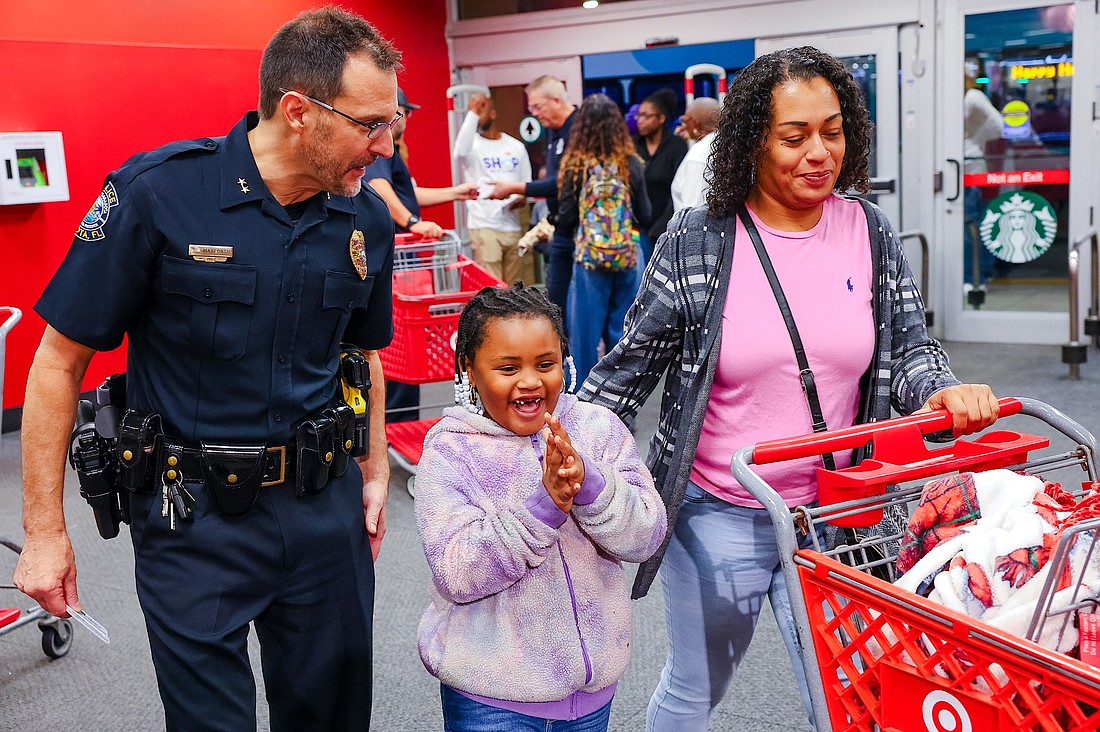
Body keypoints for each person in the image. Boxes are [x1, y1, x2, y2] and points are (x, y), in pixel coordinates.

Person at [578, 46, 999, 731]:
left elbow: (911, 345)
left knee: (849, 693)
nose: (818, 153)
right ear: (751, 141)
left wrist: (943, 389)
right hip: (720, 514)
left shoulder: (867, 229)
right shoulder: (699, 240)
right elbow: (626, 373)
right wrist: (557, 454)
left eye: (831, 132)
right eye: (794, 136)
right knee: (694, 691)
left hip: (838, 516)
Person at [13, 8, 401, 730]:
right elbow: (57, 363)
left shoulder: (364, 221)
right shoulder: (157, 195)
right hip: (192, 519)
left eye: (392, 124)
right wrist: (43, 532)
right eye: (369, 124)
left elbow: (362, 356)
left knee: (333, 717)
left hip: (324, 517)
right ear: (298, 112)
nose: (383, 146)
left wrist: (374, 472)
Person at [414, 284, 666, 732]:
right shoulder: (450, 450)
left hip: (592, 695)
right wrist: (543, 507)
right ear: (469, 369)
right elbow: (457, 572)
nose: (530, 381)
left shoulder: (597, 428)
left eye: (545, 364)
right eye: (508, 367)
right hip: (490, 698)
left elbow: (646, 534)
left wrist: (591, 485)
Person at [365, 86, 479, 424]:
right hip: (398, 261)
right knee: (403, 348)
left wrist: (455, 194)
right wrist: (412, 222)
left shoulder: (394, 152)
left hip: (405, 262)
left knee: (406, 349)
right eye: (405, 111)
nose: (408, 118)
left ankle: (403, 424)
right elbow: (381, 190)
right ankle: (400, 426)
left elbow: (406, 192)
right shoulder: (381, 150)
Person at [555, 93, 651, 384]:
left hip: (589, 260)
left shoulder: (575, 166)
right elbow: (645, 214)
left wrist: (555, 224)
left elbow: (567, 218)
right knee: (623, 334)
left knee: (584, 334)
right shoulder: (631, 163)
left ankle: (584, 401)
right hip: (627, 255)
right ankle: (621, 406)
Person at [485, 76, 577, 328]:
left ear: (556, 100)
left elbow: (562, 183)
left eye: (538, 107)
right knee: (556, 306)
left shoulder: (578, 129)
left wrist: (515, 188)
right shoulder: (554, 132)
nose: (535, 115)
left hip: (580, 232)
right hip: (560, 229)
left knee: (576, 309)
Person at [453, 92, 536, 284]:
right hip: (484, 225)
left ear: (492, 113)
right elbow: (459, 151)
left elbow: (527, 186)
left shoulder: (516, 146)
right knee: (493, 286)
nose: (477, 114)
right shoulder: (471, 146)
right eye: (474, 111)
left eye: (482, 109)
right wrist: (473, 112)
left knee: (515, 287)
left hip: (512, 225)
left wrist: (517, 200)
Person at [632, 88, 688, 263]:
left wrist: (662, 226)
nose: (640, 121)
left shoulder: (676, 146)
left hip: (667, 225)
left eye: (646, 116)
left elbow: (679, 188)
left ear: (661, 119)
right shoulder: (632, 146)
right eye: (638, 116)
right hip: (636, 227)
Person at [963, 74, 1003, 293]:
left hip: (971, 170)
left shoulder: (972, 98)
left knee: (970, 227)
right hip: (967, 170)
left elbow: (999, 126)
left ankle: (973, 278)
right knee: (976, 225)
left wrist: (975, 138)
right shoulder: (967, 98)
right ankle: (982, 274)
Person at [669, 96, 721, 211]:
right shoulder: (725, 143)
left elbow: (692, 207)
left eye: (685, 121)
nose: (684, 126)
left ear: (695, 123)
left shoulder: (699, 154)